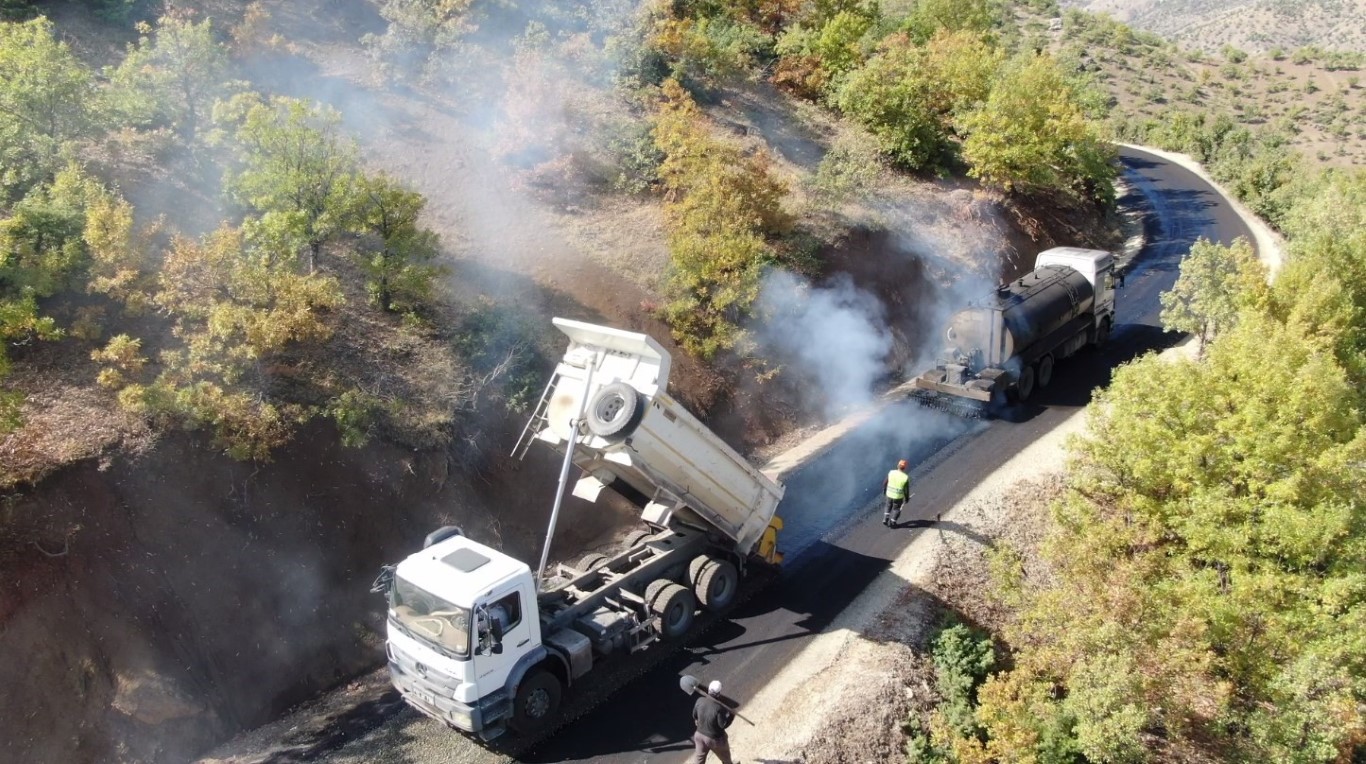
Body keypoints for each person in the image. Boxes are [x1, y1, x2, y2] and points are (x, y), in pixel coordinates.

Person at [691, 679, 735, 764]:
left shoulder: (700, 700)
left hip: (699, 736)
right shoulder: (718, 707)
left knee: (699, 760)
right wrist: (731, 716)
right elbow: (722, 725)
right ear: (718, 694)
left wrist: (698, 721)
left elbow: (694, 715)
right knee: (726, 758)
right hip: (715, 740)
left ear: (708, 690)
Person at [882, 459, 910, 527]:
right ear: (904, 468)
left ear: (898, 465)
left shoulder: (891, 472)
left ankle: (885, 518)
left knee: (888, 506)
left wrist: (885, 491)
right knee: (896, 509)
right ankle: (893, 522)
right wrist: (906, 498)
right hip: (898, 497)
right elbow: (906, 490)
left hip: (889, 494)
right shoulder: (905, 477)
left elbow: (885, 483)